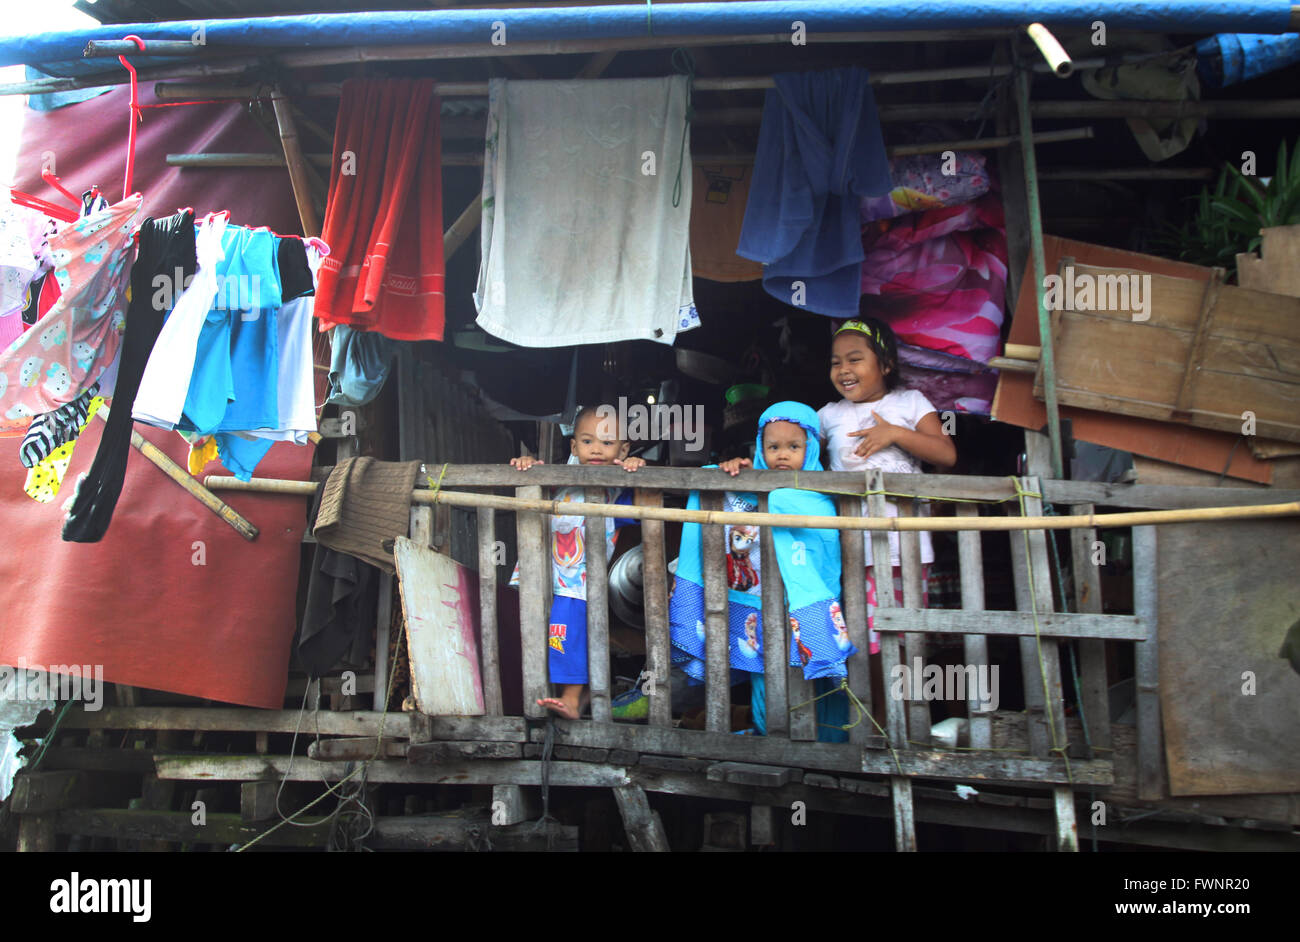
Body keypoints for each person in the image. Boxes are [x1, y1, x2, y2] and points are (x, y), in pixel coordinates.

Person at [673, 401, 850, 740]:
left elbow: (823, 556)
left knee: (822, 684)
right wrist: (728, 472)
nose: (782, 455)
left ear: (811, 448)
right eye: (773, 447)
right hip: (761, 609)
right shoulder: (752, 486)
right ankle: (771, 739)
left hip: (802, 607)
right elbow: (721, 488)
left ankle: (829, 748)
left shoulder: (821, 497)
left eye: (793, 446)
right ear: (759, 448)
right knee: (764, 674)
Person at [817, 316, 956, 657]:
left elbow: (946, 454)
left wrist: (894, 433)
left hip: (908, 547)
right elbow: (789, 449)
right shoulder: (828, 415)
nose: (843, 370)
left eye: (854, 359)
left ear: (887, 363)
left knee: (908, 641)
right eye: (836, 363)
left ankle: (906, 712)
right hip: (855, 548)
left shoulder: (911, 402)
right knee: (867, 646)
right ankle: (876, 710)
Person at [510, 406, 644, 719]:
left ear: (623, 451)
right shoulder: (557, 480)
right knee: (539, 633)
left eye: (608, 443)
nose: (596, 448)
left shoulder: (615, 491)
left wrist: (640, 473)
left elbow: (641, 507)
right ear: (574, 447)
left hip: (579, 581)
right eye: (587, 441)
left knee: (565, 634)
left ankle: (569, 699)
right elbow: (531, 481)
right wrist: (527, 465)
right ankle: (575, 698)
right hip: (541, 572)